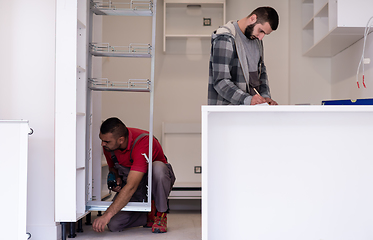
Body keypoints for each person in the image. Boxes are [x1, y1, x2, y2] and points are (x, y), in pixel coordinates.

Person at [92, 117, 176, 234]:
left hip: (152, 185)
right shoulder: (109, 146)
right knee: (114, 225)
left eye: (106, 141)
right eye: (101, 140)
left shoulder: (143, 142)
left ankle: (160, 213)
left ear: (121, 140)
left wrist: (106, 215)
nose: (102, 144)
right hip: (134, 187)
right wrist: (116, 178)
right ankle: (148, 216)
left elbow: (131, 186)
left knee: (158, 168)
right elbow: (113, 167)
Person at [208, 6, 279, 105]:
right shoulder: (225, 37)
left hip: (250, 113)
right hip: (227, 113)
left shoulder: (256, 41)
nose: (261, 37)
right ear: (253, 18)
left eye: (265, 34)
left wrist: (265, 97)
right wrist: (248, 99)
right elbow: (221, 82)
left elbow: (261, 73)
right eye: (261, 31)